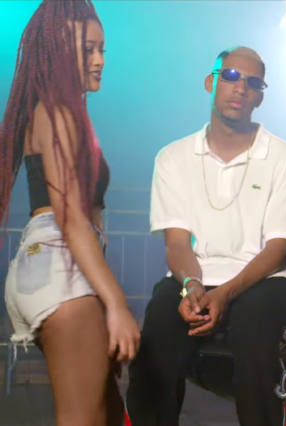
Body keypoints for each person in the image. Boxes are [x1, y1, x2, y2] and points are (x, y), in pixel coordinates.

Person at [125, 46, 286, 426]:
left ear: (260, 97)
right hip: (196, 275)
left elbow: (278, 248)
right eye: (230, 76)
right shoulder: (173, 157)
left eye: (253, 82)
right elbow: (177, 243)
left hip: (265, 277)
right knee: (154, 345)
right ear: (211, 82)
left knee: (256, 348)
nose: (240, 87)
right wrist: (192, 285)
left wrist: (224, 294)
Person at [0, 1, 138, 425]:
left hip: (51, 265)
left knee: (107, 415)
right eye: (87, 50)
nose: (99, 60)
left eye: (102, 49)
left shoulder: (55, 111)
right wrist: (117, 305)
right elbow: (72, 221)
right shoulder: (58, 113)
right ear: (58, 53)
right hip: (60, 266)